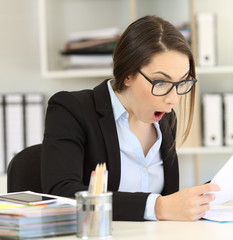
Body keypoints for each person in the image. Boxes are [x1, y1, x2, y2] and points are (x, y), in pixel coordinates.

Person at [41, 15, 220, 221]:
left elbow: (169, 204)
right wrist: (158, 207)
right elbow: (61, 194)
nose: (173, 99)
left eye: (182, 82)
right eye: (161, 82)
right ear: (127, 75)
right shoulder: (71, 109)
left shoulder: (166, 120)